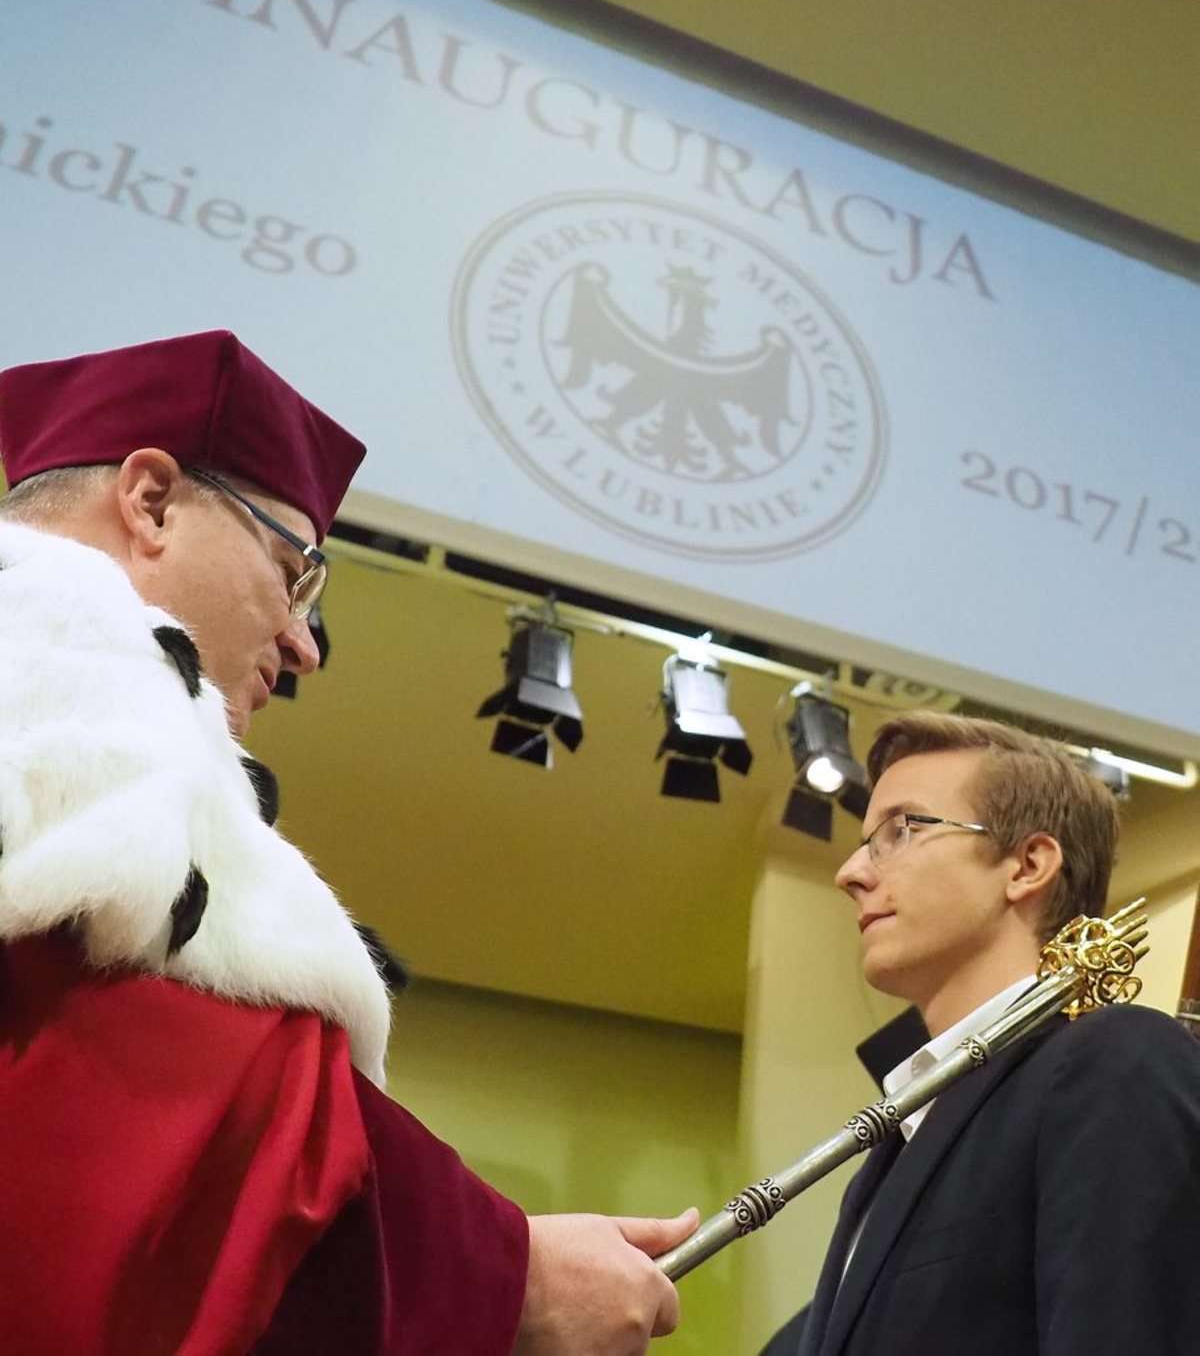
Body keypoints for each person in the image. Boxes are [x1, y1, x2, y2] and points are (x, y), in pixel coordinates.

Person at [0, 329, 696, 1356]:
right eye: (291, 575)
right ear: (151, 502)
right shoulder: (40, 667)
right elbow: (129, 1079)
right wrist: (509, 1272)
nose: (302, 644)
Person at [761, 712, 1200, 1356]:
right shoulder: (897, 1145)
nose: (850, 872)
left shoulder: (1115, 1062)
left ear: (1026, 865)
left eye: (901, 830)